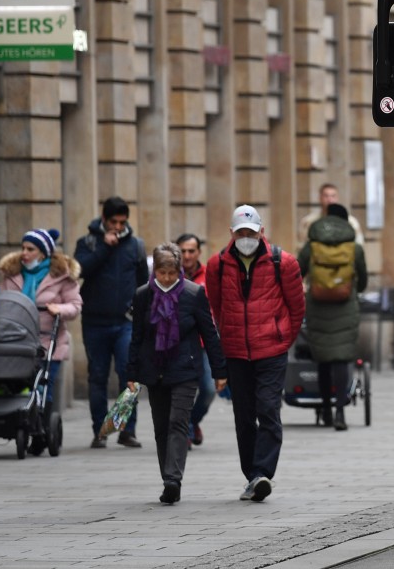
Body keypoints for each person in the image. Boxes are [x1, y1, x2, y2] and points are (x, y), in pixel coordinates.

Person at [207, 204, 305, 502]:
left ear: (262, 231)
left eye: (251, 232)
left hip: (271, 350)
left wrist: (282, 338)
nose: (246, 237)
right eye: (241, 233)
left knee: (268, 410)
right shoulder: (218, 265)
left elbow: (297, 307)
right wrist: (226, 343)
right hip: (236, 351)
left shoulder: (283, 262)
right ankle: (252, 475)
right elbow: (216, 307)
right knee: (244, 416)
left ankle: (263, 472)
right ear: (232, 234)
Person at [127, 243, 228, 505]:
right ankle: (167, 479)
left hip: (185, 367)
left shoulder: (194, 294)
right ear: (155, 272)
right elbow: (136, 337)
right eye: (162, 273)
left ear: (180, 271)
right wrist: (131, 372)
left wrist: (219, 371)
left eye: (172, 273)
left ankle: (174, 478)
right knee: (161, 425)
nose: (168, 278)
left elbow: (210, 333)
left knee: (178, 422)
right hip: (154, 369)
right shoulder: (143, 295)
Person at [74, 195, 148, 449]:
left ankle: (126, 429)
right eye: (114, 222)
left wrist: (140, 314)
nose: (118, 227)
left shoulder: (135, 246)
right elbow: (80, 271)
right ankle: (101, 431)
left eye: (122, 222)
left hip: (126, 322)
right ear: (104, 219)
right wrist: (105, 247)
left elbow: (143, 284)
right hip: (94, 322)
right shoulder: (87, 243)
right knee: (98, 376)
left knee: (129, 375)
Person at [0, 229, 83, 417]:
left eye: (30, 249)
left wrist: (60, 309)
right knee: (18, 387)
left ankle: (43, 428)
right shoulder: (12, 274)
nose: (25, 253)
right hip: (17, 342)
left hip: (49, 343)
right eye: (23, 248)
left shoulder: (61, 276)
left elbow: (76, 305)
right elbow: (3, 301)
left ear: (43, 253)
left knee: (45, 387)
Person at [298, 203, 368, 430]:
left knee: (323, 359)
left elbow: (297, 270)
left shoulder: (312, 246)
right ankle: (340, 412)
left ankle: (326, 409)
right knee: (341, 358)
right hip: (345, 307)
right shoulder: (354, 249)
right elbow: (363, 280)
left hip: (317, 306)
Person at [176, 233, 213, 447]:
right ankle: (185, 430)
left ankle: (191, 421)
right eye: (183, 251)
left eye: (191, 251)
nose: (187, 255)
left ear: (199, 252)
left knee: (208, 390)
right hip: (178, 344)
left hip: (203, 344)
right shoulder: (169, 275)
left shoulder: (209, 276)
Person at [298, 183, 365, 248]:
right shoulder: (308, 221)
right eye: (326, 196)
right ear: (320, 198)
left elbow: (359, 244)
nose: (329, 199)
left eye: (333, 196)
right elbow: (302, 246)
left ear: (337, 198)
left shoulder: (351, 222)